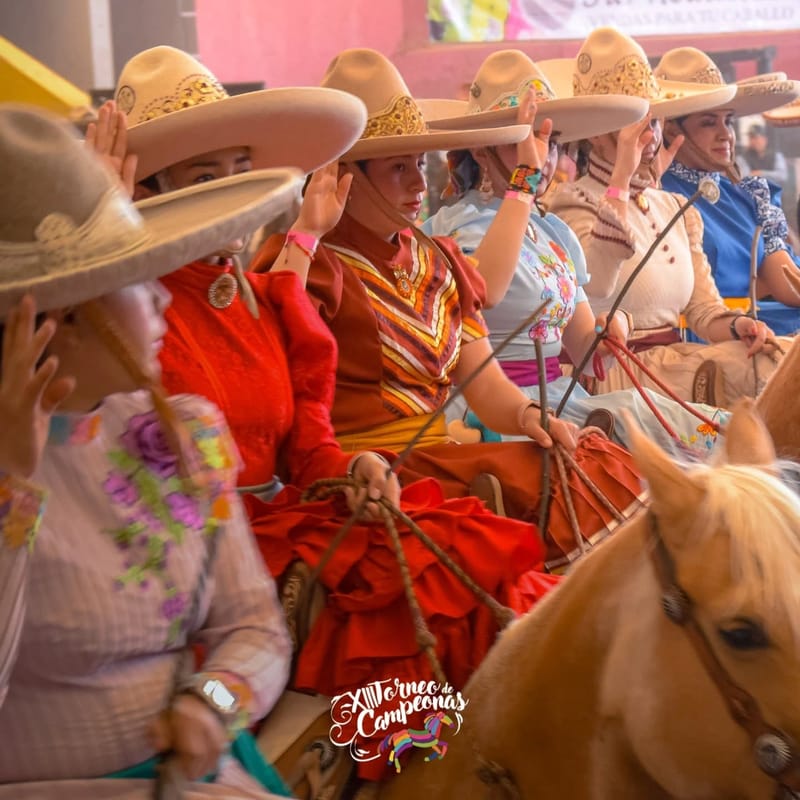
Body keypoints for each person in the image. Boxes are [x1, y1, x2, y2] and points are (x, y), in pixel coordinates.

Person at [110, 46, 563, 785]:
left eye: (235, 171)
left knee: (476, 553)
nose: (228, 193)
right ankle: (397, 765)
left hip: (293, 514)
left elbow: (308, 443)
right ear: (150, 188)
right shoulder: (141, 308)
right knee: (413, 590)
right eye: (201, 177)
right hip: (194, 551)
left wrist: (347, 465)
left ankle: (459, 762)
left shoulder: (261, 294)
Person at [0, 104, 301, 798]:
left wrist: (216, 702)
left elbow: (254, 624)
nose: (166, 296)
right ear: (61, 322)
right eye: (138, 278)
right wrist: (13, 481)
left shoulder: (183, 429)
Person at [251, 47, 645, 574]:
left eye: (419, 163)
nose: (419, 183)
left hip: (440, 458)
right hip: (360, 477)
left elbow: (481, 379)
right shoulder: (310, 263)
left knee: (595, 466)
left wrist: (529, 414)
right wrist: (306, 234)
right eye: (398, 168)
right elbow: (272, 353)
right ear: (343, 175)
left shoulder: (439, 261)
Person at [423, 49, 729, 455]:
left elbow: (584, 344)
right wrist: (523, 186)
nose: (543, 158)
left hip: (565, 397)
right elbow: (488, 289)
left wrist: (611, 327)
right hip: (497, 413)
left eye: (551, 144)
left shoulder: (554, 232)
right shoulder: (454, 229)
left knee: (715, 433)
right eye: (525, 142)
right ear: (482, 151)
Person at [546, 28, 780, 406]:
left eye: (652, 122)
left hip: (677, 366)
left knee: (778, 360)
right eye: (632, 124)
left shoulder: (672, 206)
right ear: (595, 135)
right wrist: (621, 176)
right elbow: (599, 285)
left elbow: (704, 311)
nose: (647, 136)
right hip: (619, 379)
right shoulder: (571, 203)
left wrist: (741, 325)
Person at [655, 47, 800, 336]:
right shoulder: (657, 195)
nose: (726, 134)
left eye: (728, 121)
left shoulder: (747, 197)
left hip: (756, 328)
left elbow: (788, 285)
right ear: (670, 130)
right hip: (697, 339)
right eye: (709, 122)